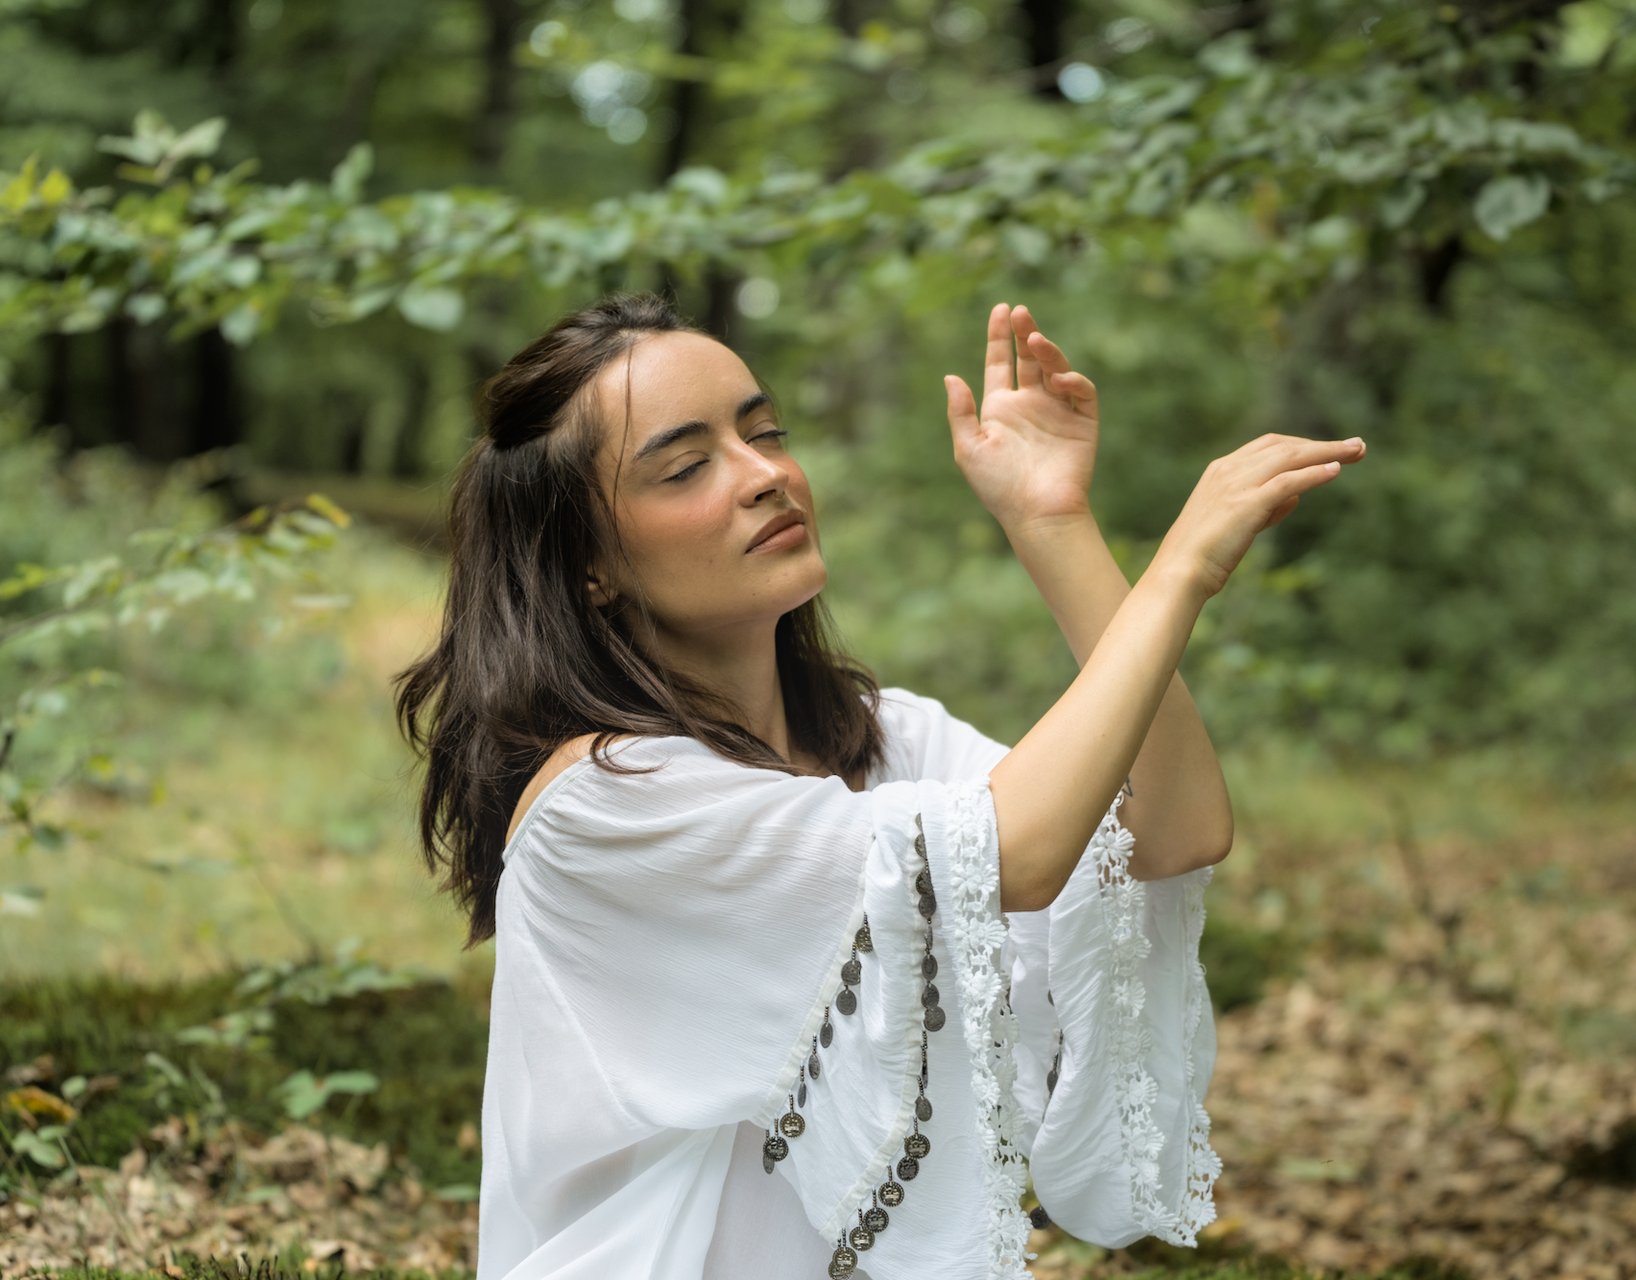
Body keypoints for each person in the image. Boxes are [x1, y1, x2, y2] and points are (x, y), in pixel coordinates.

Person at [394, 292, 1364, 1280]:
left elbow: (1174, 829)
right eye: (686, 467)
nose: (766, 475)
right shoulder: (604, 804)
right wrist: (1179, 569)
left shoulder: (887, 736)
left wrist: (1052, 521)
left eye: (764, 433)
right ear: (588, 566)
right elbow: (1018, 851)